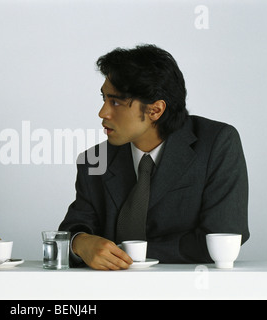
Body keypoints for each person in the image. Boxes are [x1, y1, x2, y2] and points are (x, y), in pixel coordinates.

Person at [59, 44, 249, 270]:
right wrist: (80, 243)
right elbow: (70, 233)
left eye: (116, 102)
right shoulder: (93, 160)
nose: (103, 113)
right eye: (103, 99)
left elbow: (223, 237)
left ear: (155, 110)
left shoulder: (217, 143)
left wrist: (126, 253)